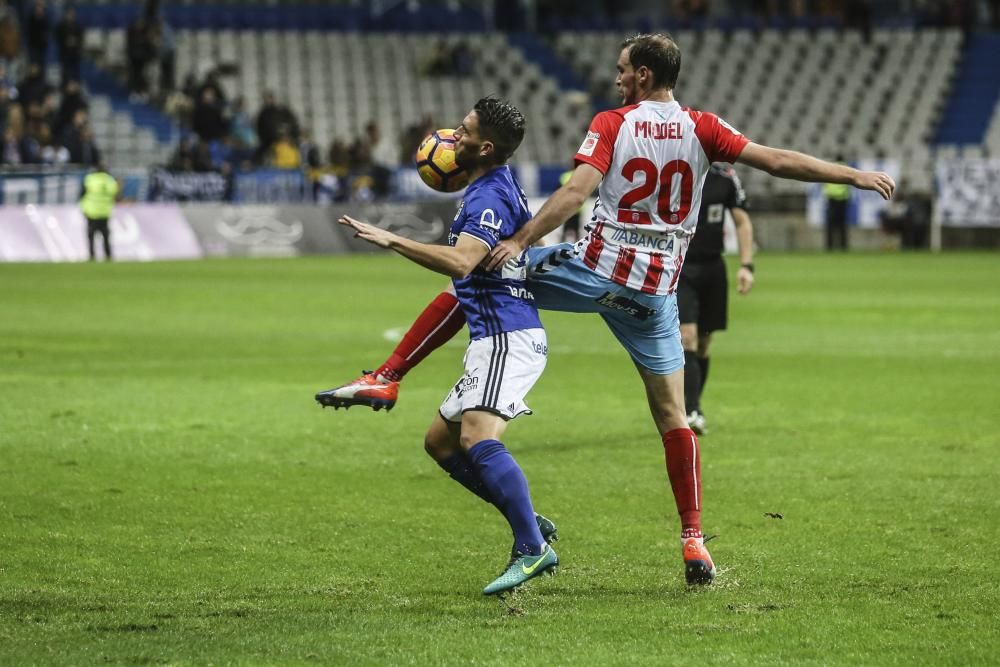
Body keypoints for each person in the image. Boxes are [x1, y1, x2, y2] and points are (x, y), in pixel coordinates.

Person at [316, 33, 894, 586]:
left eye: (622, 70)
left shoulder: (613, 123)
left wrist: (520, 241)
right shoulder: (703, 126)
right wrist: (853, 176)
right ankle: (693, 537)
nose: (616, 79)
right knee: (673, 416)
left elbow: (575, 192)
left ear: (643, 75)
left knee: (479, 269)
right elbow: (775, 159)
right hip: (654, 293)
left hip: (595, 269)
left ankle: (388, 375)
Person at [327, 98, 558, 596]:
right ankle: (529, 523)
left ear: (485, 147)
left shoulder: (486, 199)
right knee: (440, 442)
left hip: (506, 336)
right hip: (494, 335)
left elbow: (459, 264)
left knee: (477, 437)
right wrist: (391, 373)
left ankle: (531, 546)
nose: (451, 137)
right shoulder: (490, 186)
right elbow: (457, 296)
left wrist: (394, 241)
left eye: (464, 132)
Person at [678, 163, 755, 435]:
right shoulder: (675, 172)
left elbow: (742, 220)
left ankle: (693, 405)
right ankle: (690, 410)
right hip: (680, 267)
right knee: (687, 336)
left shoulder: (724, 179)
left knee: (704, 344)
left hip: (713, 268)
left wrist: (747, 265)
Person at [79, 163, 120, 261]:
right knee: (105, 235)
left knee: (91, 235)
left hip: (91, 211)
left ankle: (92, 256)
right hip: (105, 212)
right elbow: (115, 194)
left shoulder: (89, 179)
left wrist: (83, 208)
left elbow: (82, 194)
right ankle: (108, 255)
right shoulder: (110, 180)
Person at [823, 156, 851, 251]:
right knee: (842, 225)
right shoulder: (847, 169)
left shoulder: (830, 167)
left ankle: (829, 246)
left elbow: (825, 184)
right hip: (843, 199)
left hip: (831, 199)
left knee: (830, 225)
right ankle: (843, 246)